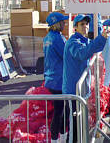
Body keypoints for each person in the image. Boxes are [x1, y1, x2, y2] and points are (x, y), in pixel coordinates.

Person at [62, 14, 108, 142]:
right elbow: (83, 53)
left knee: (79, 123)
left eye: (86, 24)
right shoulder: (73, 42)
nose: (85, 27)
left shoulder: (83, 40)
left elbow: (93, 46)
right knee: (74, 126)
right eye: (82, 24)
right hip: (73, 91)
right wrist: (102, 38)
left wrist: (103, 39)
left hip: (80, 90)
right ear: (75, 27)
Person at [43, 12, 69, 143]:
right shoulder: (58, 38)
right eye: (62, 22)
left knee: (60, 110)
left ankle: (60, 138)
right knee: (60, 112)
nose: (65, 24)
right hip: (58, 80)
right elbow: (66, 55)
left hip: (51, 79)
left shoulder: (48, 37)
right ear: (57, 24)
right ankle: (58, 139)